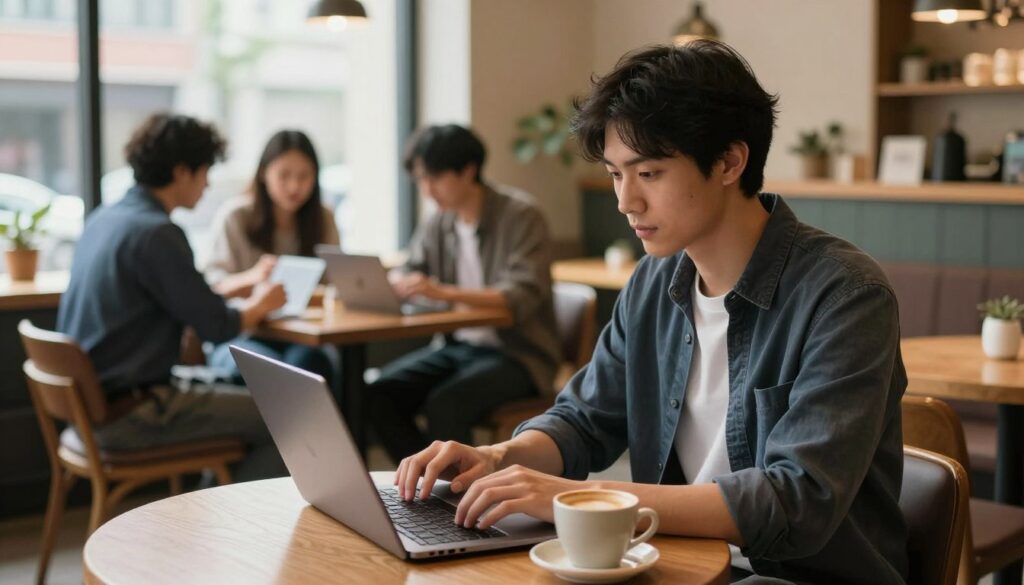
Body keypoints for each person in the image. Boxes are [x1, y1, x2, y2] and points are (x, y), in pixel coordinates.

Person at [393, 42, 909, 584]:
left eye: (650, 173)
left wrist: (580, 496)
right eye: (617, 174)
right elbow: (585, 418)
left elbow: (796, 500)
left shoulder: (846, 294)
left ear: (731, 161)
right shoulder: (654, 282)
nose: (625, 201)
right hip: (675, 560)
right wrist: (500, 458)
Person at [57, 113, 289, 482]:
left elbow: (179, 298)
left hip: (94, 408)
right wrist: (261, 304)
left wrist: (241, 286)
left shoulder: (107, 219)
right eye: (205, 171)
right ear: (182, 172)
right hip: (133, 412)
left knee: (242, 390)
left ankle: (208, 513)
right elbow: (217, 325)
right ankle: (230, 529)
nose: (208, 183)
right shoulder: (158, 234)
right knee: (287, 418)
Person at [367, 124, 561, 464]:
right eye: (420, 180)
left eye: (435, 178)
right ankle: (425, 483)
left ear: (468, 170)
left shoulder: (521, 216)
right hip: (457, 347)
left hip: (519, 355)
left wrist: (441, 291)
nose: (427, 191)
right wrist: (398, 281)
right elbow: (413, 266)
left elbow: (520, 294)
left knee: (446, 402)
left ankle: (459, 501)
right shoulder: (439, 223)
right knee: (378, 394)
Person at [204, 130, 340, 388]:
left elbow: (334, 284)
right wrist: (253, 278)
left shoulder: (323, 218)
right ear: (264, 173)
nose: (294, 186)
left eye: (304, 176)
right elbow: (211, 287)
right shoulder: (236, 216)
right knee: (266, 369)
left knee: (313, 365)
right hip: (242, 333)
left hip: (300, 335)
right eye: (284, 175)